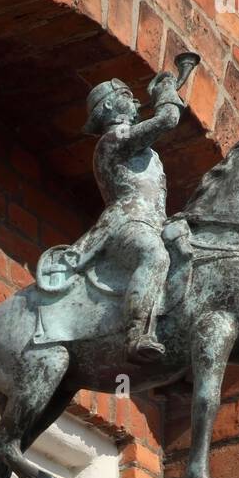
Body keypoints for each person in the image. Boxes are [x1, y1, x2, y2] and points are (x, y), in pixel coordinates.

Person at [34, 70, 186, 363]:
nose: (136, 101)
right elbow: (168, 119)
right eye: (127, 96)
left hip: (155, 222)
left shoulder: (145, 149)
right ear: (107, 107)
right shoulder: (115, 137)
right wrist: (166, 89)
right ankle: (136, 333)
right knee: (155, 257)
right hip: (127, 222)